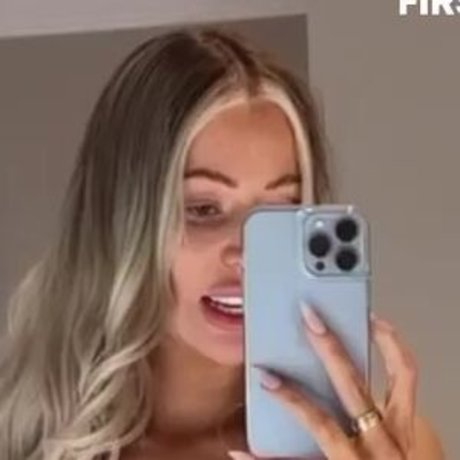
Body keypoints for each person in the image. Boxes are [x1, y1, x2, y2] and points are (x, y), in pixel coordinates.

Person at [0, 28, 444, 460]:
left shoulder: (391, 449)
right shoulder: (22, 438)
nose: (247, 256)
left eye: (279, 209)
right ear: (121, 220)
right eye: (203, 209)